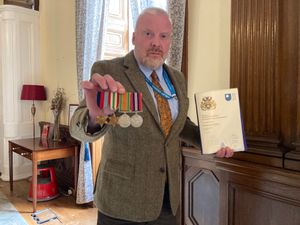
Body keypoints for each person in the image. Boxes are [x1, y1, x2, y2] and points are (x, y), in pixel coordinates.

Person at [70, 7, 234, 225]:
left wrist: (212, 140)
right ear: (134, 37)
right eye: (148, 34)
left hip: (167, 200)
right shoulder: (110, 70)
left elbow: (178, 125)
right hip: (122, 201)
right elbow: (79, 124)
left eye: (163, 36)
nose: (157, 42)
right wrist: (95, 118)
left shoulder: (178, 78)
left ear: (169, 41)